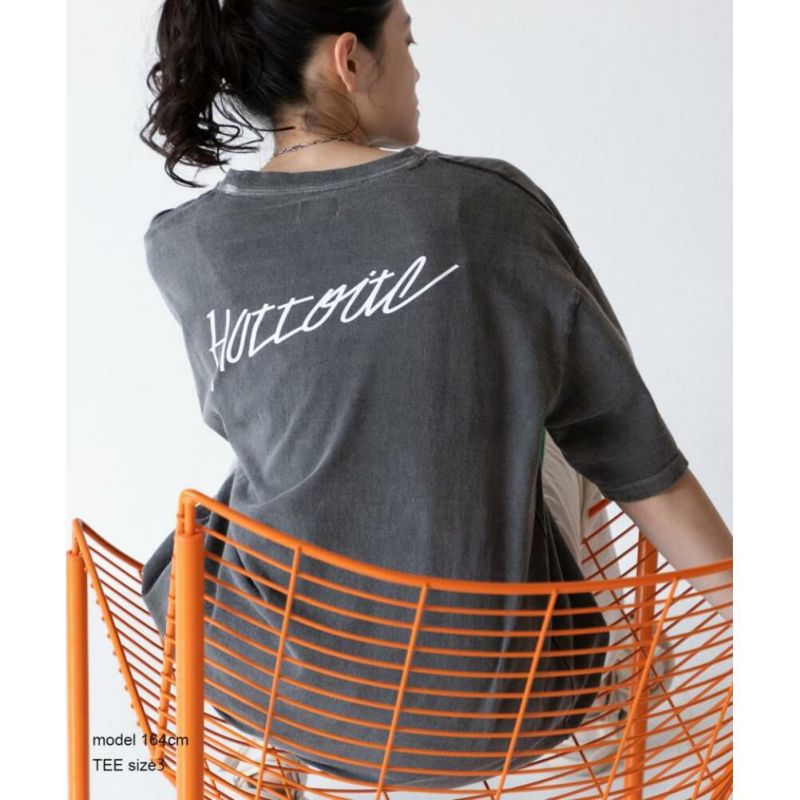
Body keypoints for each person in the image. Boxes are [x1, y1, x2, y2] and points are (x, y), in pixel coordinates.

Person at [138, 0, 733, 793]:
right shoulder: (485, 205)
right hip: (496, 713)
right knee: (555, 427)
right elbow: (629, 449)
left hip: (265, 677)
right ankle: (622, 681)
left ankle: (281, 744)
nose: (417, 70)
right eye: (407, 42)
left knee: (287, 450)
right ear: (349, 59)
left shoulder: (182, 245)